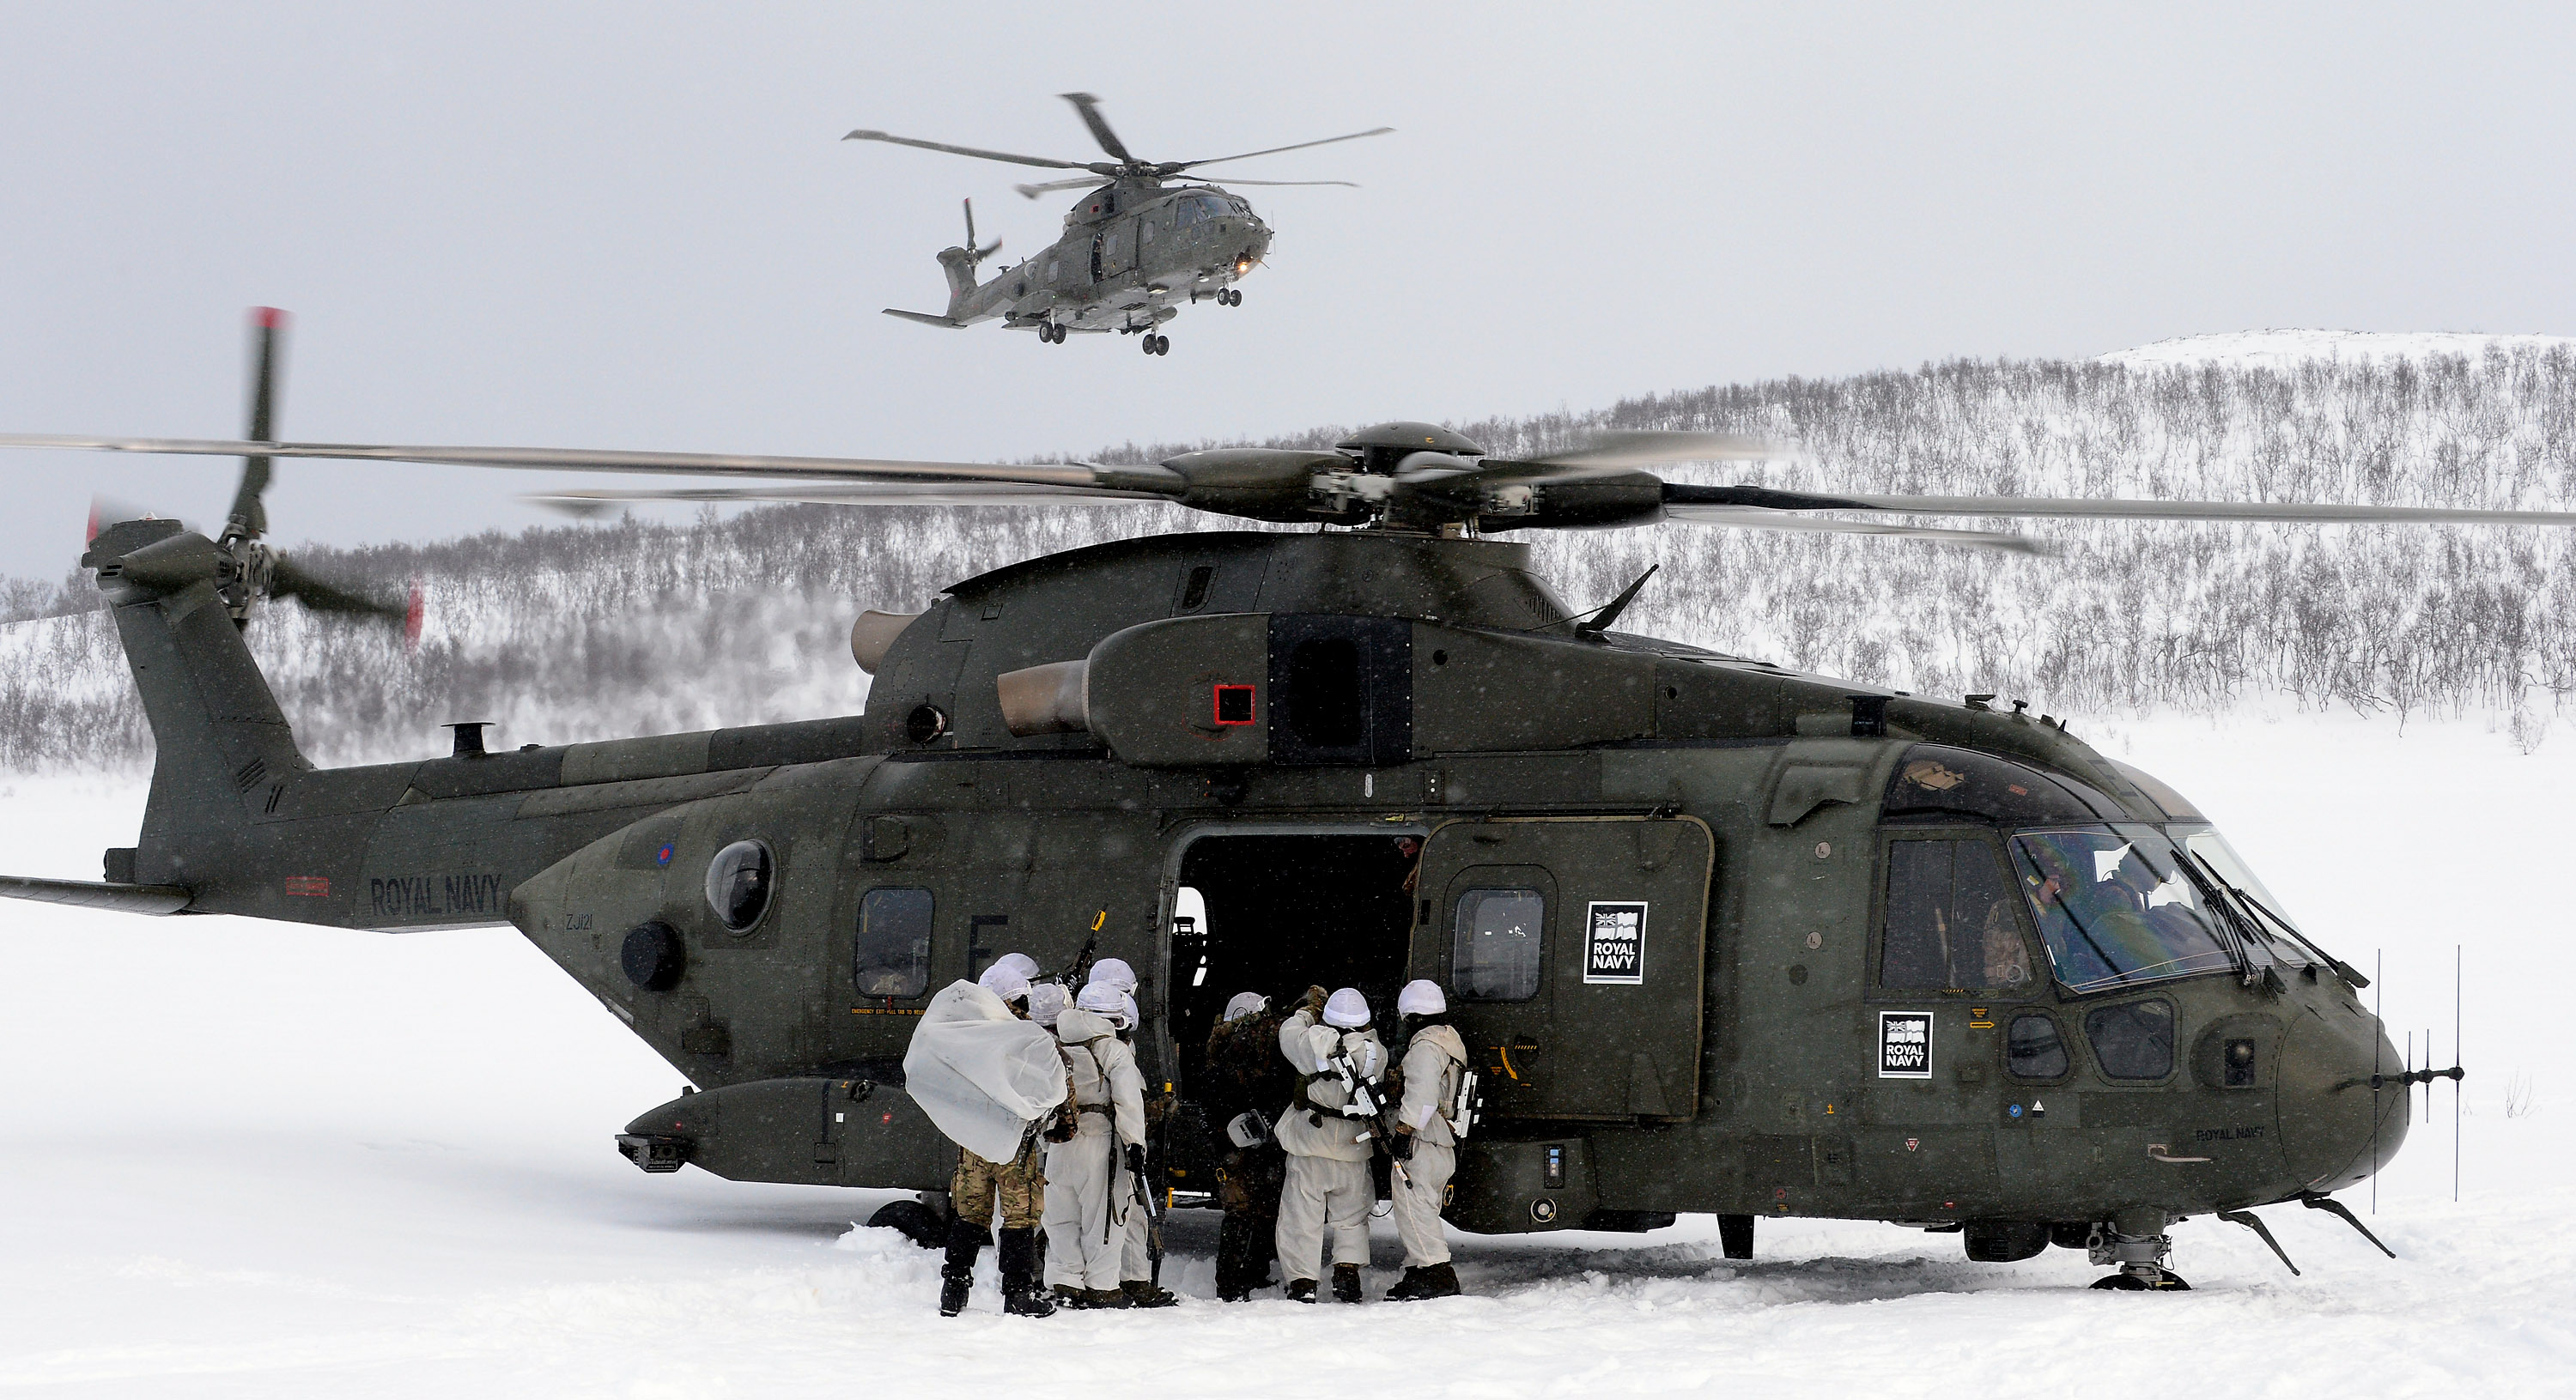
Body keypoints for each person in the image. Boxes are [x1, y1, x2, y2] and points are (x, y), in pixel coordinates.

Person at [939, 961, 1064, 1318]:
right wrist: (1063, 1122)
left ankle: (954, 1288)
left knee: (970, 1214)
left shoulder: (962, 1030)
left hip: (973, 1143)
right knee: (1018, 1218)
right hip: (1013, 1144)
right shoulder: (1026, 1034)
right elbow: (1056, 1080)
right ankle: (1018, 1293)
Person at [1274, 985, 1386, 1303]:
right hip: (1354, 1145)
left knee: (1301, 1218)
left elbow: (1288, 1033)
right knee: (1352, 1217)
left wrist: (1308, 1012)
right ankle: (1347, 1274)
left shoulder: (1312, 1043)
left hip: (1311, 1144)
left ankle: (1303, 1283)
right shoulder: (1376, 1051)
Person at [1042, 982, 1149, 1308]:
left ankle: (1065, 1278)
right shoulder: (1113, 1050)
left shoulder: (1052, 1044)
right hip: (1101, 1142)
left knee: (1061, 1216)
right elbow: (1128, 1101)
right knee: (1104, 1216)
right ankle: (1102, 1286)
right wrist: (1135, 1145)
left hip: (1060, 1141)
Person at [1204, 990, 1291, 1301]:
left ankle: (1248, 1276)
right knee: (1244, 1212)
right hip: (1240, 1141)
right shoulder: (1238, 1046)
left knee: (1254, 1210)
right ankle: (1231, 1285)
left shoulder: (1224, 1045)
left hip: (1243, 1139)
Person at [1385, 979, 1467, 1300]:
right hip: (1442, 1142)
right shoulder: (1449, 1041)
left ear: (1412, 1015)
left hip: (1423, 1139)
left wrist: (1404, 1132)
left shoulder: (1425, 1048)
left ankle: (1437, 1273)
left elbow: (1422, 1096)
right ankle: (1419, 1269)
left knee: (1413, 1206)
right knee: (1424, 1208)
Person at [1109, 987, 1177, 1307]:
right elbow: (1124, 1102)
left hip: (1099, 1143)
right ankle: (1133, 1281)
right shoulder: (1114, 1052)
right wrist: (1155, 1112)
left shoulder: (1086, 1044)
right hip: (1117, 1144)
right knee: (1131, 1213)